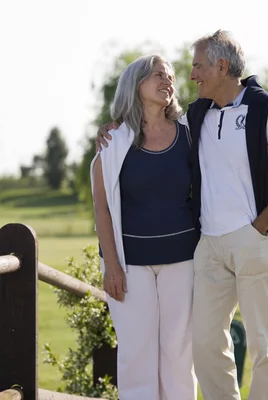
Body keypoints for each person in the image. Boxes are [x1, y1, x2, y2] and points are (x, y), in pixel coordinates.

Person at [96, 30, 268, 400]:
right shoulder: (190, 118)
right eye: (163, 73)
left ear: (220, 66)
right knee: (199, 345)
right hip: (197, 249)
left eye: (194, 68)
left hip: (233, 246)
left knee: (249, 347)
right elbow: (108, 194)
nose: (187, 76)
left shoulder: (246, 113)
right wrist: (111, 127)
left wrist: (258, 227)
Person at [90, 54, 198, 400]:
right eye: (157, 75)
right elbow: (102, 209)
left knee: (179, 355)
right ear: (135, 85)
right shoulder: (113, 142)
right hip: (129, 266)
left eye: (170, 76)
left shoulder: (190, 134)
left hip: (184, 261)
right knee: (136, 356)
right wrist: (111, 266)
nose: (167, 81)